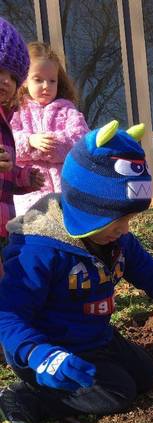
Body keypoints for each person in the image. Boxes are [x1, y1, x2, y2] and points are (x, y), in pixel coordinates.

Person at [0, 121, 153, 423]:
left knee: (146, 374)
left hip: (95, 338)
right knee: (118, 393)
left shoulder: (118, 242)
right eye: (117, 220)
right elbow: (8, 316)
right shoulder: (38, 249)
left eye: (129, 219)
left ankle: (84, 370)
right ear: (86, 208)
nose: (125, 229)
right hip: (48, 349)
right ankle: (26, 395)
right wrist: (40, 355)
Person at [11, 41, 89, 217]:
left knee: (69, 229)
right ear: (23, 81)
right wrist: (31, 142)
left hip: (67, 188)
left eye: (52, 80)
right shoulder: (16, 110)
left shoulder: (67, 110)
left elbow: (82, 141)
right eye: (38, 79)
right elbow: (9, 141)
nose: (46, 86)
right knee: (34, 231)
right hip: (30, 194)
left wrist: (54, 145)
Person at [0, 18, 44, 275]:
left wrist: (25, 176)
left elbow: (7, 172)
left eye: (12, 76)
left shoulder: (6, 120)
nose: (6, 81)